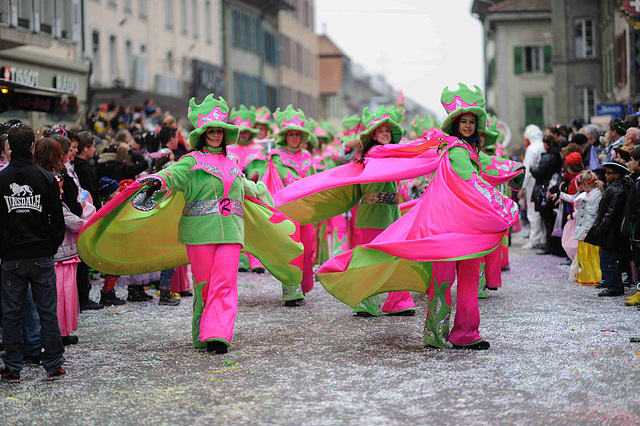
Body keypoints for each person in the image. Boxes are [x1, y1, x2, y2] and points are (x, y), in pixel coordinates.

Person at [78, 95, 304, 354]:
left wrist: (271, 195)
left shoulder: (232, 164)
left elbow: (247, 188)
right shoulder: (191, 161)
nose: (216, 135)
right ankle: (202, 330)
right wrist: (157, 180)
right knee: (205, 284)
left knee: (225, 282)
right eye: (211, 131)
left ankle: (218, 334)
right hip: (199, 234)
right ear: (202, 134)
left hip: (231, 231)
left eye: (220, 130)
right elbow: (172, 174)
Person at [0, 123, 66, 382]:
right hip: (41, 255)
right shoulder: (46, 178)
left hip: (12, 257)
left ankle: (13, 367)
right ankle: (53, 365)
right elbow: (56, 218)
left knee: (11, 314)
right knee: (47, 312)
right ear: (31, 146)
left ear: (10, 148)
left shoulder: (2, 179)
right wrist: (51, 246)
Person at [348, 106, 416, 317]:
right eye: (380, 131)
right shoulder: (374, 153)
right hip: (370, 214)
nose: (385, 134)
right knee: (371, 258)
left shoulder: (393, 155)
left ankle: (400, 302)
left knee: (395, 257)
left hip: (390, 213)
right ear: (373, 136)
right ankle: (366, 302)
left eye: (388, 131)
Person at [262, 105, 318, 306]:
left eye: (297, 134)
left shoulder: (307, 157)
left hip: (307, 212)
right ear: (285, 136)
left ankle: (303, 285)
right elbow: (270, 184)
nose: (294, 137)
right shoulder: (276, 157)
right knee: (291, 250)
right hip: (287, 212)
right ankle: (291, 291)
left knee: (309, 248)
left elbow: (315, 183)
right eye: (291, 134)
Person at [585, 162, 632, 297]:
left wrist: (601, 228)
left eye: (609, 173)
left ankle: (614, 286)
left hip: (612, 231)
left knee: (609, 258)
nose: (606, 176)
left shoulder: (618, 190)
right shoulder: (616, 188)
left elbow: (611, 213)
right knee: (608, 257)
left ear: (617, 175)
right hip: (612, 230)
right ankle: (612, 283)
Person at [570, 171, 604, 285]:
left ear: (585, 184)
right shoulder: (593, 195)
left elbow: (591, 216)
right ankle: (586, 276)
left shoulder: (593, 197)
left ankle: (591, 278)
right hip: (586, 231)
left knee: (590, 257)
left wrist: (587, 231)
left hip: (587, 232)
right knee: (586, 257)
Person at [521, 125, 546, 249]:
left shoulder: (531, 148)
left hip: (532, 182)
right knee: (541, 211)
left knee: (532, 211)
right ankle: (543, 237)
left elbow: (526, 170)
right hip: (544, 181)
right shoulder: (544, 145)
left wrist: (523, 187)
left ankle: (535, 238)